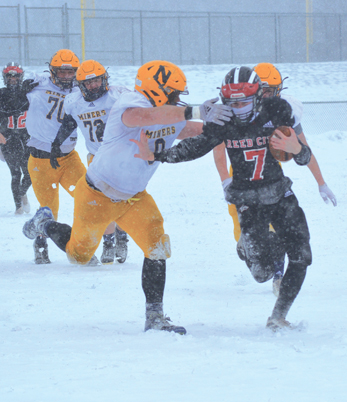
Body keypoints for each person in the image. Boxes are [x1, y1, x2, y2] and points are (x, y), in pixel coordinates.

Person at [22, 60, 232, 334]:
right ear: (157, 89)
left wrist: (228, 124)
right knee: (79, 255)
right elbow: (145, 117)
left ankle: (155, 317)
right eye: (173, 93)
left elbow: (192, 129)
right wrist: (195, 111)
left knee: (157, 246)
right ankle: (45, 223)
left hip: (134, 196)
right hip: (97, 193)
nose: (177, 98)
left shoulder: (170, 112)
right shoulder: (130, 103)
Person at [132, 66, 313, 331]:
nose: (237, 108)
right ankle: (253, 246)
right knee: (261, 273)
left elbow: (304, 156)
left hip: (279, 193)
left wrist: (296, 148)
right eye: (232, 103)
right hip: (248, 199)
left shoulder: (277, 110)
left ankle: (278, 316)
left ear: (258, 97)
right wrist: (158, 155)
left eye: (243, 102)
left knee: (301, 256)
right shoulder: (223, 119)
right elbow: (197, 146)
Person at [212, 62, 336, 296]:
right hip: (241, 176)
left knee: (277, 227)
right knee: (245, 236)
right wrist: (225, 181)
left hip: (269, 170)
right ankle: (249, 249)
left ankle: (279, 276)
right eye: (264, 90)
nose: (267, 96)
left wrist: (321, 182)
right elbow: (218, 147)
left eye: (271, 91)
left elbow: (303, 148)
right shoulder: (237, 109)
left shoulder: (281, 111)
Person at [58, 59, 131, 264]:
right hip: (96, 160)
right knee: (103, 203)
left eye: (96, 81)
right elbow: (68, 125)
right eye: (88, 83)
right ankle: (108, 242)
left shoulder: (118, 95)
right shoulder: (74, 102)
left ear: (104, 79)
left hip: (123, 156)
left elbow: (139, 117)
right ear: (81, 85)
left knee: (124, 200)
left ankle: (122, 238)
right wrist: (56, 145)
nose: (93, 86)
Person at [23, 49, 88, 264]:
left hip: (69, 157)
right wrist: (20, 89)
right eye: (62, 72)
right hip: (41, 159)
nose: (67, 77)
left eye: (71, 73)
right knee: (48, 210)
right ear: (52, 71)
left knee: (89, 197)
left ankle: (86, 243)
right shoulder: (38, 83)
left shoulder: (82, 88)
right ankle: (40, 244)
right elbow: (14, 94)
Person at [0, 62, 32, 215]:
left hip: (27, 137)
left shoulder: (28, 93)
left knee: (30, 173)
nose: (13, 80)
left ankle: (22, 193)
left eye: (15, 77)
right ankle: (18, 207)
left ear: (20, 77)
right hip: (8, 138)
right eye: (9, 77)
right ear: (5, 78)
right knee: (15, 174)